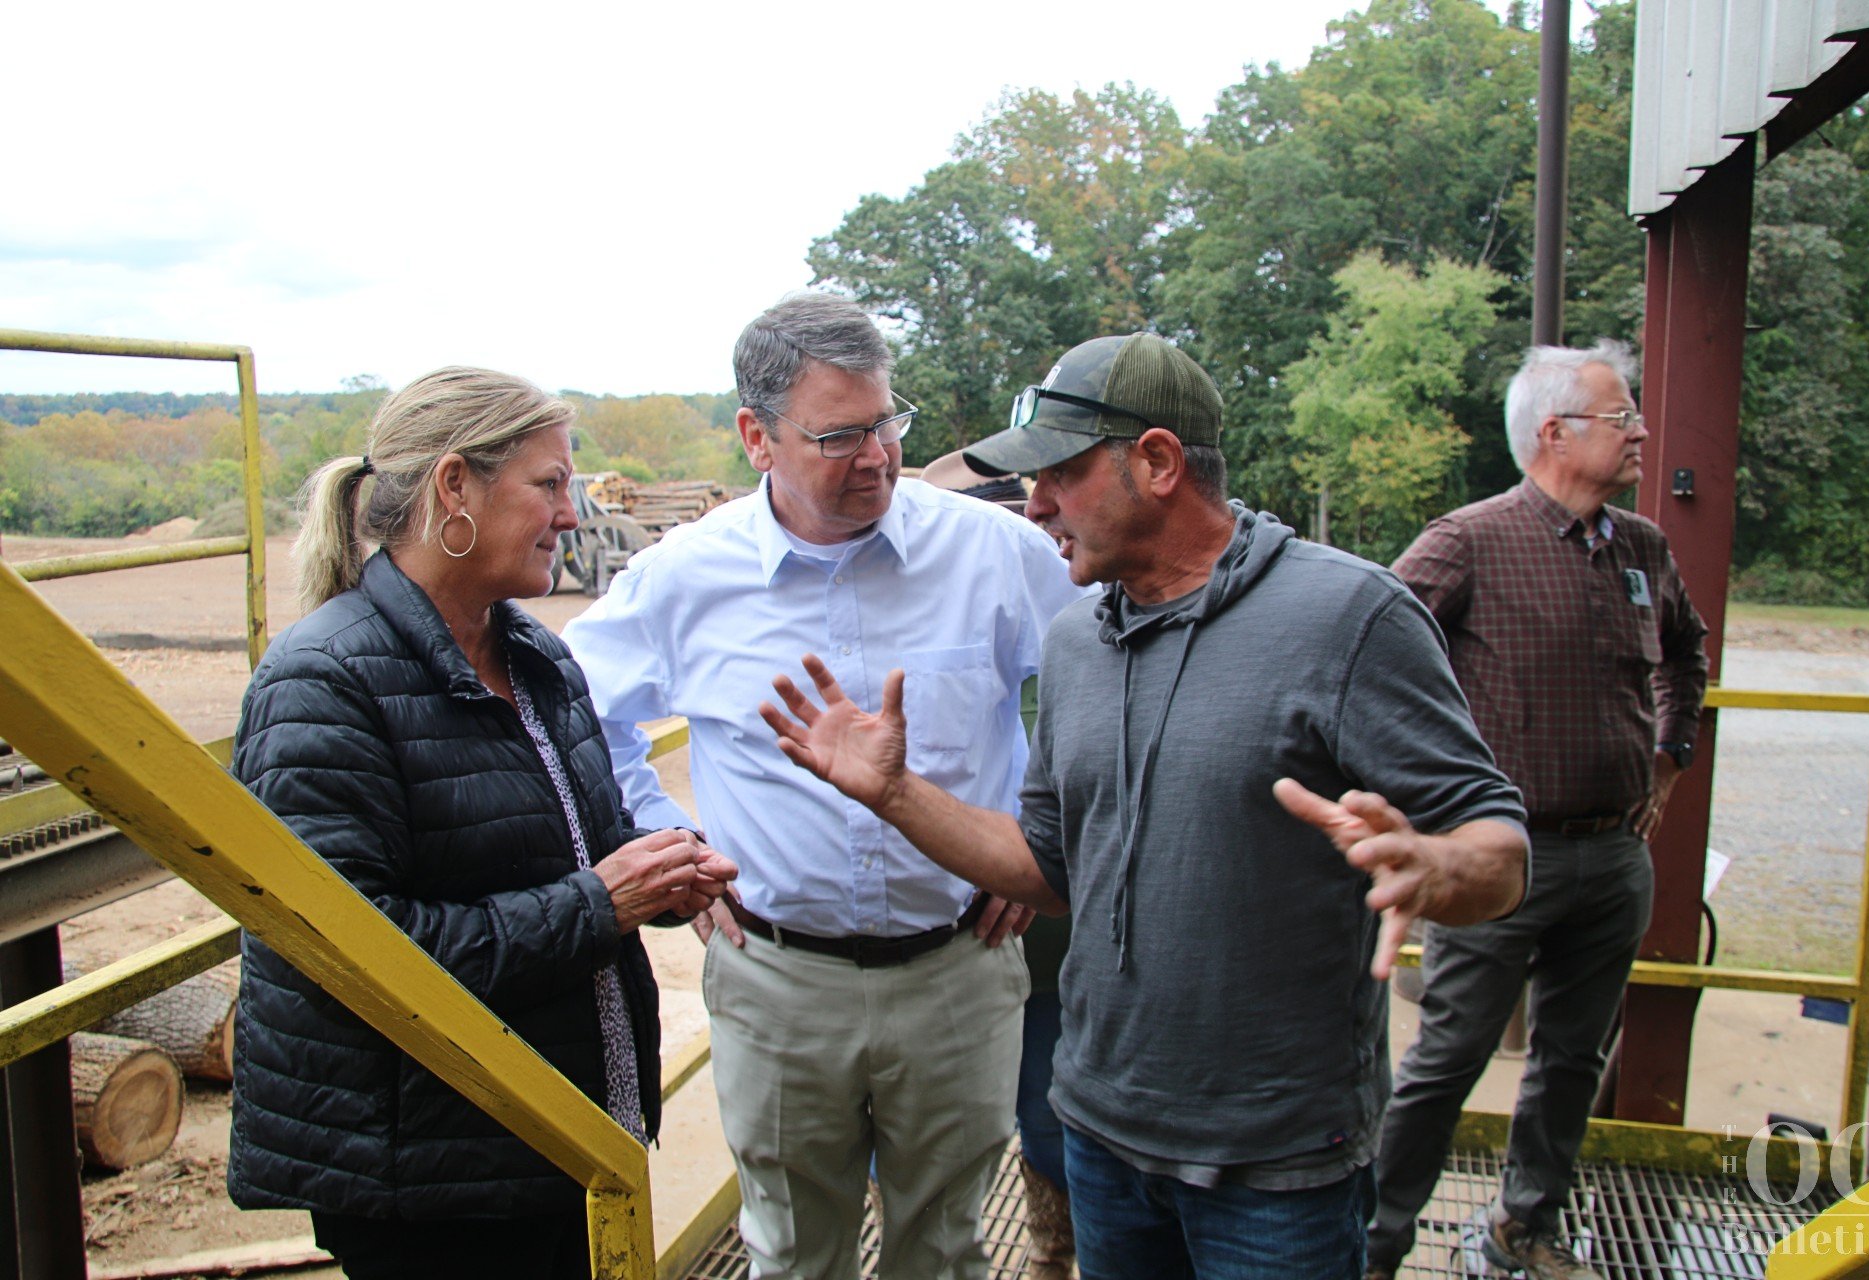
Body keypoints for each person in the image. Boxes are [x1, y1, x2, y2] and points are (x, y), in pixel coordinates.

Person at [756, 332, 1531, 1280]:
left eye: (1060, 475)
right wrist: (895, 795)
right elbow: (1047, 867)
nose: (1034, 505)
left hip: (1279, 1164)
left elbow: (1498, 846)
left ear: (1158, 462)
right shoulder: (1079, 637)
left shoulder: (1347, 617)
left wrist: (1439, 866)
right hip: (1104, 1140)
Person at [562, 294, 1087, 1280]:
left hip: (958, 969)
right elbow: (579, 706)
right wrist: (666, 837)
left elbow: (1106, 673)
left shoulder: (993, 552)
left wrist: (1037, 831)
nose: (879, 457)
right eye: (841, 435)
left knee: (946, 1249)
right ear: (757, 437)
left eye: (889, 423)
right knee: (796, 1254)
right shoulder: (686, 576)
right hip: (777, 978)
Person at [225, 367, 737, 1280]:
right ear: (454, 487)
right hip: (431, 1181)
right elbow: (349, 955)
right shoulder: (324, 682)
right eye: (548, 486)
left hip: (552, 1141)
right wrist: (600, 904)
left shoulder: (533, 654)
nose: (572, 516)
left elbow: (579, 843)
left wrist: (658, 873)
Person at [1365, 340, 1710, 1280]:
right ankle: (1375, 1243)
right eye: (1623, 416)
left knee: (1573, 1060)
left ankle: (1527, 1227)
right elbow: (1370, 654)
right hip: (1499, 865)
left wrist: (1671, 756)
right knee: (1446, 1063)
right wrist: (1424, 801)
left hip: (1613, 860)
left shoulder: (1641, 546)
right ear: (1554, 434)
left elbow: (1688, 652)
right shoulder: (1468, 540)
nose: (1641, 431)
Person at [921, 450, 1076, 1280]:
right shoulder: (929, 626)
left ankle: (1053, 1255)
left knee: (1053, 1122)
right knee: (926, 1136)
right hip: (944, 940)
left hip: (1050, 939)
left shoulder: (1080, 616)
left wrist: (1025, 865)